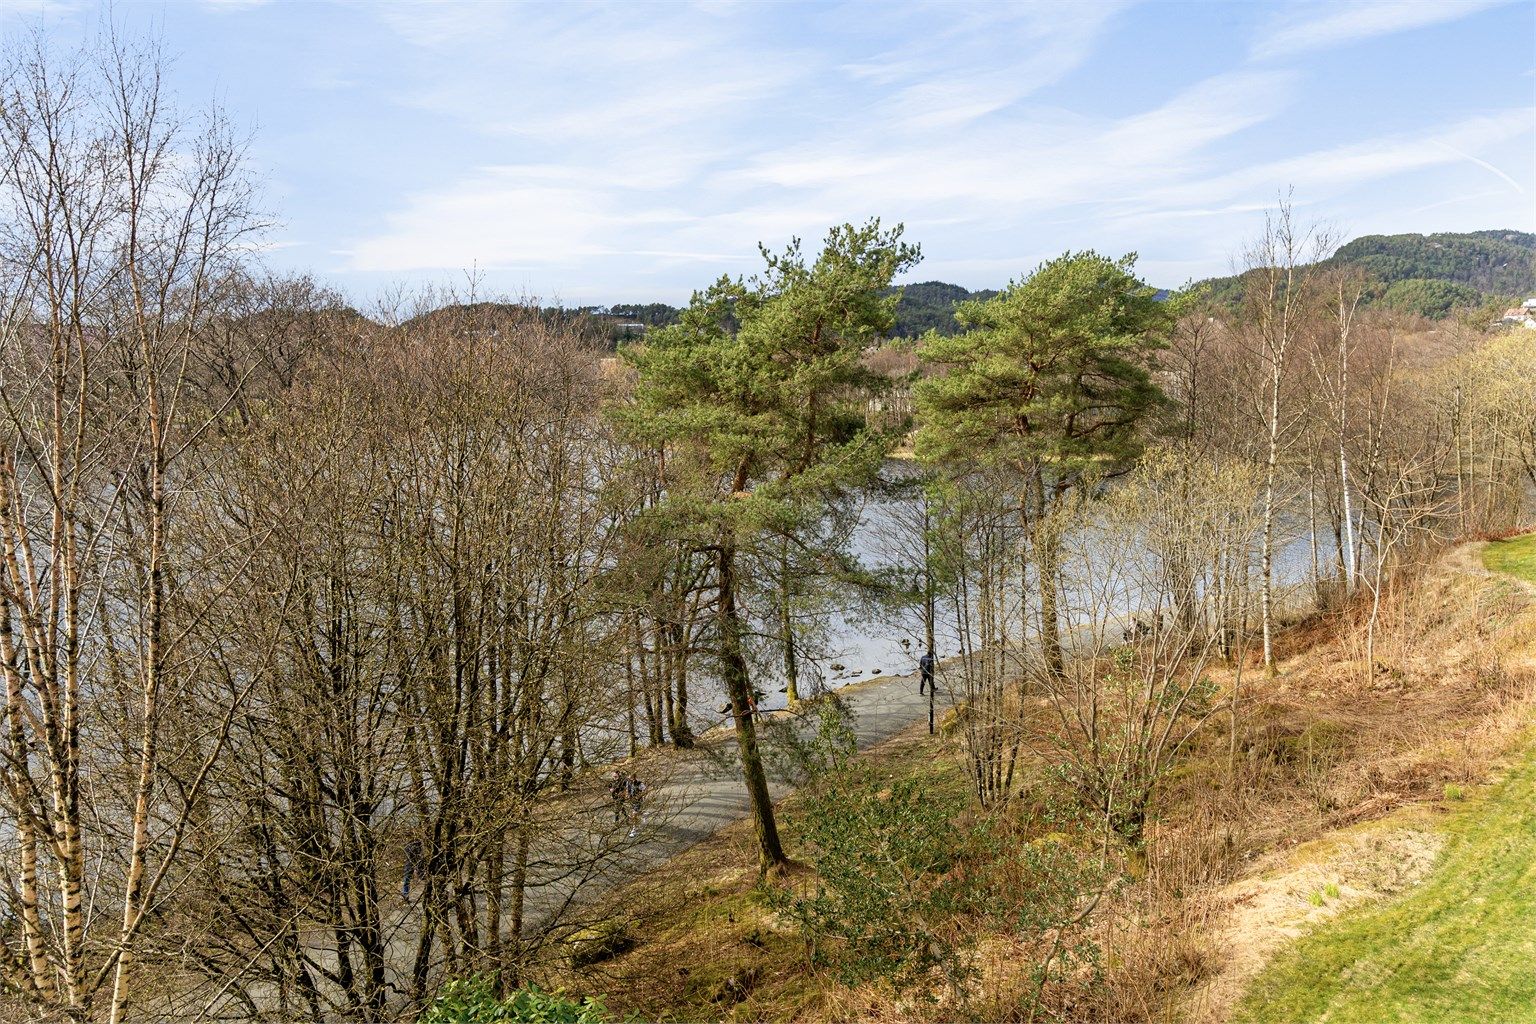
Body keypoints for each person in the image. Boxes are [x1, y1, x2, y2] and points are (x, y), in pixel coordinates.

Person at [625, 773, 647, 839]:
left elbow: (645, 790)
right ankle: (643, 814)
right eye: (629, 778)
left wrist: (641, 796)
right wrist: (627, 795)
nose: (630, 780)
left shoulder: (640, 783)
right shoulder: (628, 783)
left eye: (631, 778)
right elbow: (627, 790)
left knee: (634, 814)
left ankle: (634, 830)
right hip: (631, 801)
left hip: (638, 801)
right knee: (634, 814)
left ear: (634, 777)